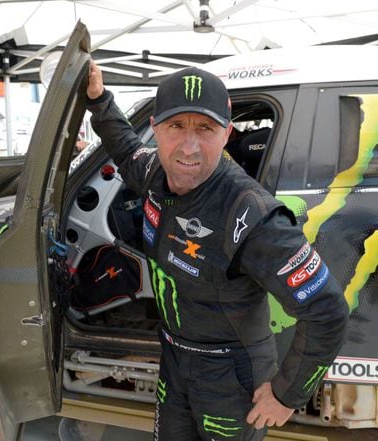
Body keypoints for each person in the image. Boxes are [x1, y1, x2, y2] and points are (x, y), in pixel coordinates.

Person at [86, 61, 349, 441]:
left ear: (226, 134)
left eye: (205, 129)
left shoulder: (252, 215)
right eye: (176, 126)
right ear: (156, 129)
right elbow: (125, 148)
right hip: (175, 359)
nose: (189, 146)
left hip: (233, 375)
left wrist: (287, 394)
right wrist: (99, 100)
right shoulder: (155, 175)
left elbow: (327, 310)